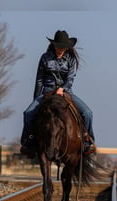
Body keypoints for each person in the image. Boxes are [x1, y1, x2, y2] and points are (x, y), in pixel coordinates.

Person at [20, 30, 96, 158]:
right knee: (28, 113)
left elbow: (71, 78)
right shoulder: (45, 57)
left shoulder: (70, 59)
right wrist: (36, 99)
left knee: (88, 113)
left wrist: (62, 88)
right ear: (54, 45)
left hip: (66, 91)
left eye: (64, 47)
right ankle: (29, 142)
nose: (61, 49)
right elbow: (39, 79)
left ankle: (87, 140)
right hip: (47, 90)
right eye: (59, 46)